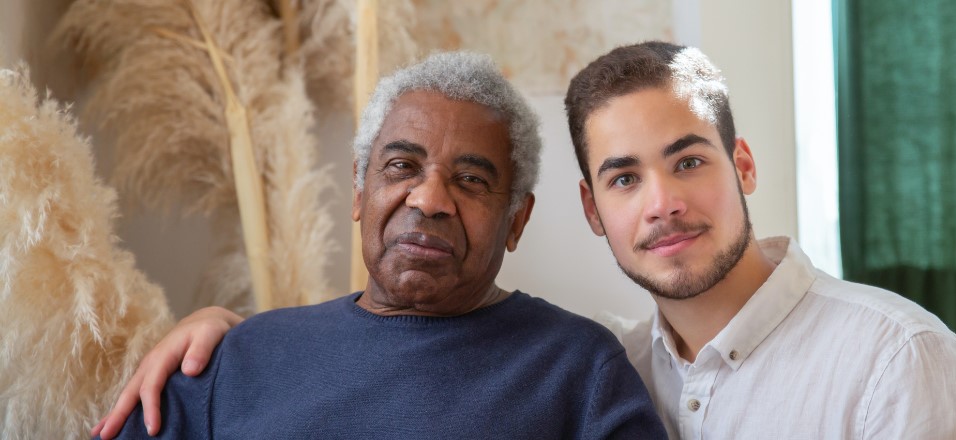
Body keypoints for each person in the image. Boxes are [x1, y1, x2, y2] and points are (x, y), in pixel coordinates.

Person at [96, 42, 956, 439]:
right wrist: (225, 329)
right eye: (624, 178)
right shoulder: (230, 365)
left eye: (687, 161)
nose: (662, 203)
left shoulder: (581, 371)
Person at [94, 51, 665, 439]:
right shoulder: (232, 358)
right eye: (401, 166)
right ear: (360, 193)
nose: (428, 199)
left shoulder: (579, 367)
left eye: (470, 180)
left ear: (516, 220)